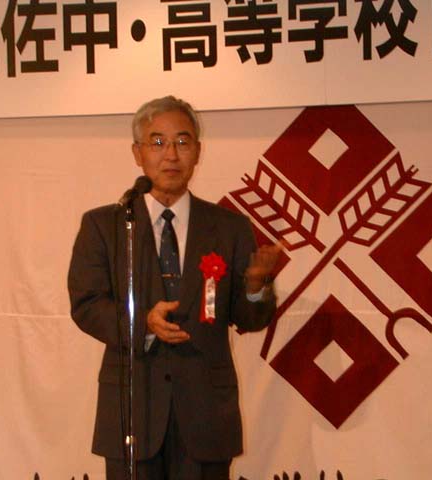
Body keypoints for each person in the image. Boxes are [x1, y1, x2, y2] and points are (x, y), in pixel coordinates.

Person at [68, 95, 280, 479]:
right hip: (132, 410)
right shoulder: (106, 226)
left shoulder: (229, 227)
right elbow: (87, 305)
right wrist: (143, 322)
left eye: (182, 142)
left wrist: (256, 285)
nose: (171, 155)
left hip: (206, 413)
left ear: (198, 151)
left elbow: (249, 318)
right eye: (158, 142)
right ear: (138, 153)